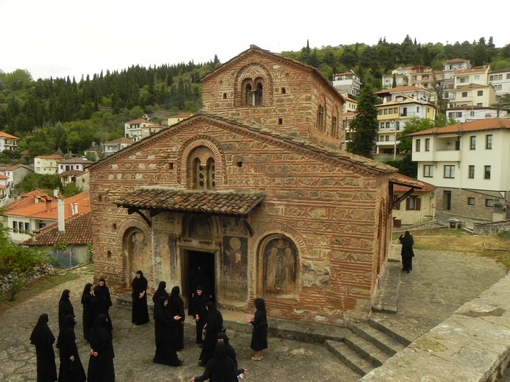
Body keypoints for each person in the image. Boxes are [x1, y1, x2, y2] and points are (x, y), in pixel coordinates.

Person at [153, 296, 183, 367]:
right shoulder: (159, 312)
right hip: (162, 334)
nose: (167, 303)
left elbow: (166, 318)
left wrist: (173, 318)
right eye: (166, 302)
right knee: (168, 347)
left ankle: (158, 358)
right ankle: (175, 361)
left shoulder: (162, 310)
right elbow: (165, 322)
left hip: (164, 332)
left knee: (162, 347)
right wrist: (174, 319)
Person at [56, 314, 86, 382]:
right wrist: (72, 354)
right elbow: (70, 344)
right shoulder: (69, 331)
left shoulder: (63, 330)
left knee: (64, 366)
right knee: (73, 366)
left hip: (63, 352)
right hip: (70, 352)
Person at [30, 313, 58, 382]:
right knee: (48, 367)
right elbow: (51, 340)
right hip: (48, 354)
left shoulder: (37, 328)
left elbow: (34, 340)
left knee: (42, 368)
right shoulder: (45, 330)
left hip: (40, 354)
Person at [87, 314, 115, 381]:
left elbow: (91, 340)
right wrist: (98, 351)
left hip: (95, 352)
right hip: (103, 354)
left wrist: (93, 349)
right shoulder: (103, 332)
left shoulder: (93, 330)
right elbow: (104, 343)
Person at [199, 301, 223, 367]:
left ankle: (205, 362)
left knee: (208, 349)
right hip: (217, 333)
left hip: (211, 335)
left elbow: (211, 327)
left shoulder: (211, 315)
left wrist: (206, 328)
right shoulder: (217, 313)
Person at [168, 285, 185, 350]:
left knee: (172, 332)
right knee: (178, 333)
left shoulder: (169, 298)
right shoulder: (179, 300)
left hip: (171, 318)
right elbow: (181, 310)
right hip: (178, 318)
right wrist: (182, 319)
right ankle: (178, 346)